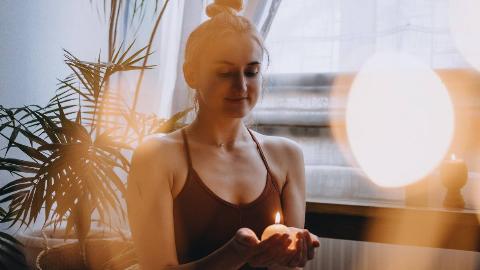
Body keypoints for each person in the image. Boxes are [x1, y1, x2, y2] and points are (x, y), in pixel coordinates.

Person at [126, 0, 320, 269]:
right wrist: (233, 254)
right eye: (225, 73)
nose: (241, 85)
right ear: (191, 74)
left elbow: (288, 264)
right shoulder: (157, 157)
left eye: (251, 72)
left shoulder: (287, 156)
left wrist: (296, 253)